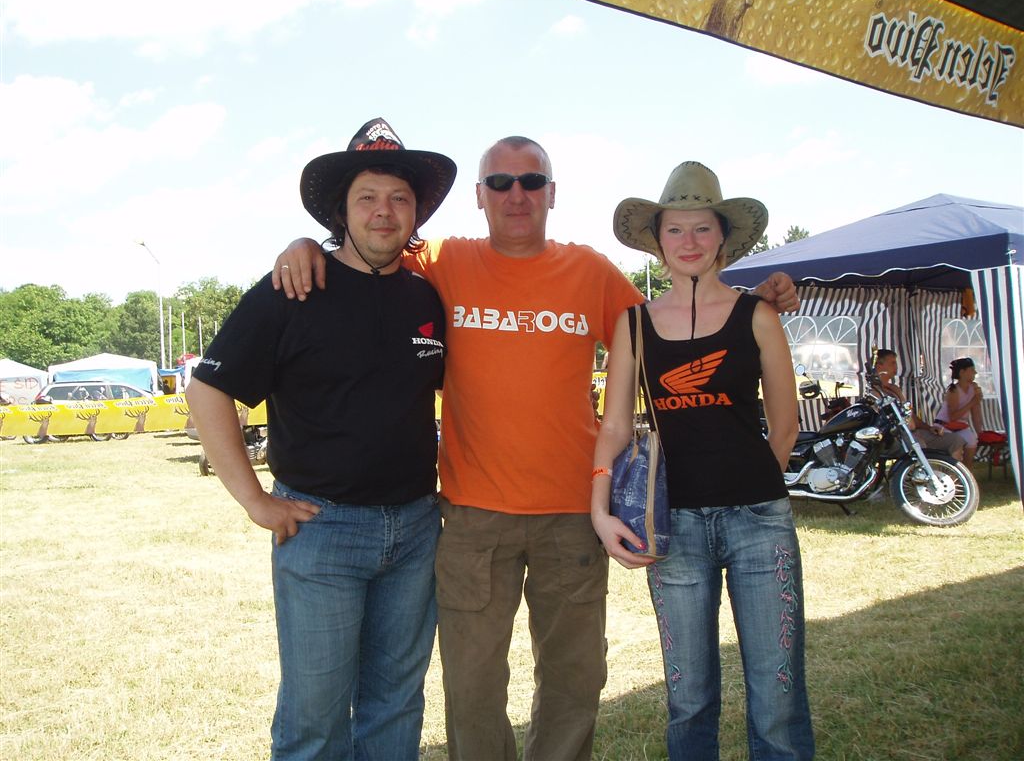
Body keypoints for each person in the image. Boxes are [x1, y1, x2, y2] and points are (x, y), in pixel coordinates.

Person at [273, 137, 800, 761]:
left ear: (552, 193)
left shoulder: (590, 271)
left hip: (573, 515)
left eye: (531, 182)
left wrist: (758, 298)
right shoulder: (442, 259)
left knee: (575, 681)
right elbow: (369, 244)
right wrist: (307, 245)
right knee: (472, 687)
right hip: (473, 517)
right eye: (500, 183)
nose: (515, 195)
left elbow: (679, 324)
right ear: (479, 196)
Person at [186, 118, 455, 760]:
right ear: (342, 210)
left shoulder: (428, 298)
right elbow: (208, 390)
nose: (384, 211)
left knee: (397, 704)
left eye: (399, 197)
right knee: (315, 716)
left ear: (416, 212)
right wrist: (256, 501)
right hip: (322, 529)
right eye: (368, 197)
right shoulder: (292, 290)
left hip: (418, 527)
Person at [591, 161, 814, 760]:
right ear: (657, 239)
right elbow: (615, 425)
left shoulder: (758, 315)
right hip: (674, 527)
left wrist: (751, 486)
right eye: (675, 229)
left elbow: (785, 424)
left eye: (701, 229)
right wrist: (600, 508)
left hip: (759, 523)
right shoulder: (634, 324)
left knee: (778, 690)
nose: (688, 241)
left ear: (722, 237)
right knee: (688, 696)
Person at [872, 349, 966, 461]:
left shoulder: (895, 389)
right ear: (879, 366)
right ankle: (923, 472)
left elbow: (911, 415)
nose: (895, 366)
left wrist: (929, 428)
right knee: (919, 445)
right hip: (898, 436)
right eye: (892, 363)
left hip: (914, 432)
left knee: (956, 440)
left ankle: (948, 471)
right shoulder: (874, 392)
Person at [935, 357, 983, 469]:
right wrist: (972, 402)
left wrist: (980, 433)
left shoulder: (974, 388)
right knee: (957, 445)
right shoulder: (953, 390)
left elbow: (976, 413)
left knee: (972, 441)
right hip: (944, 426)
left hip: (960, 426)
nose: (975, 373)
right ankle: (953, 473)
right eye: (972, 370)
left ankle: (967, 472)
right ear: (962, 372)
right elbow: (953, 417)